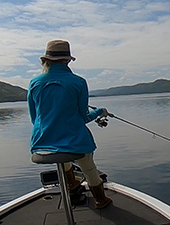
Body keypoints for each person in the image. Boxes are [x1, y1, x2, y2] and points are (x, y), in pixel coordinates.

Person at [28, 39, 112, 209]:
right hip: (75, 142)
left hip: (42, 143)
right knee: (88, 168)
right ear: (67, 60)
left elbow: (34, 118)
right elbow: (84, 118)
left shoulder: (34, 83)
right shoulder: (79, 82)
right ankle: (101, 200)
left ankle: (72, 183)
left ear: (46, 60)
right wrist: (100, 111)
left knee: (62, 153)